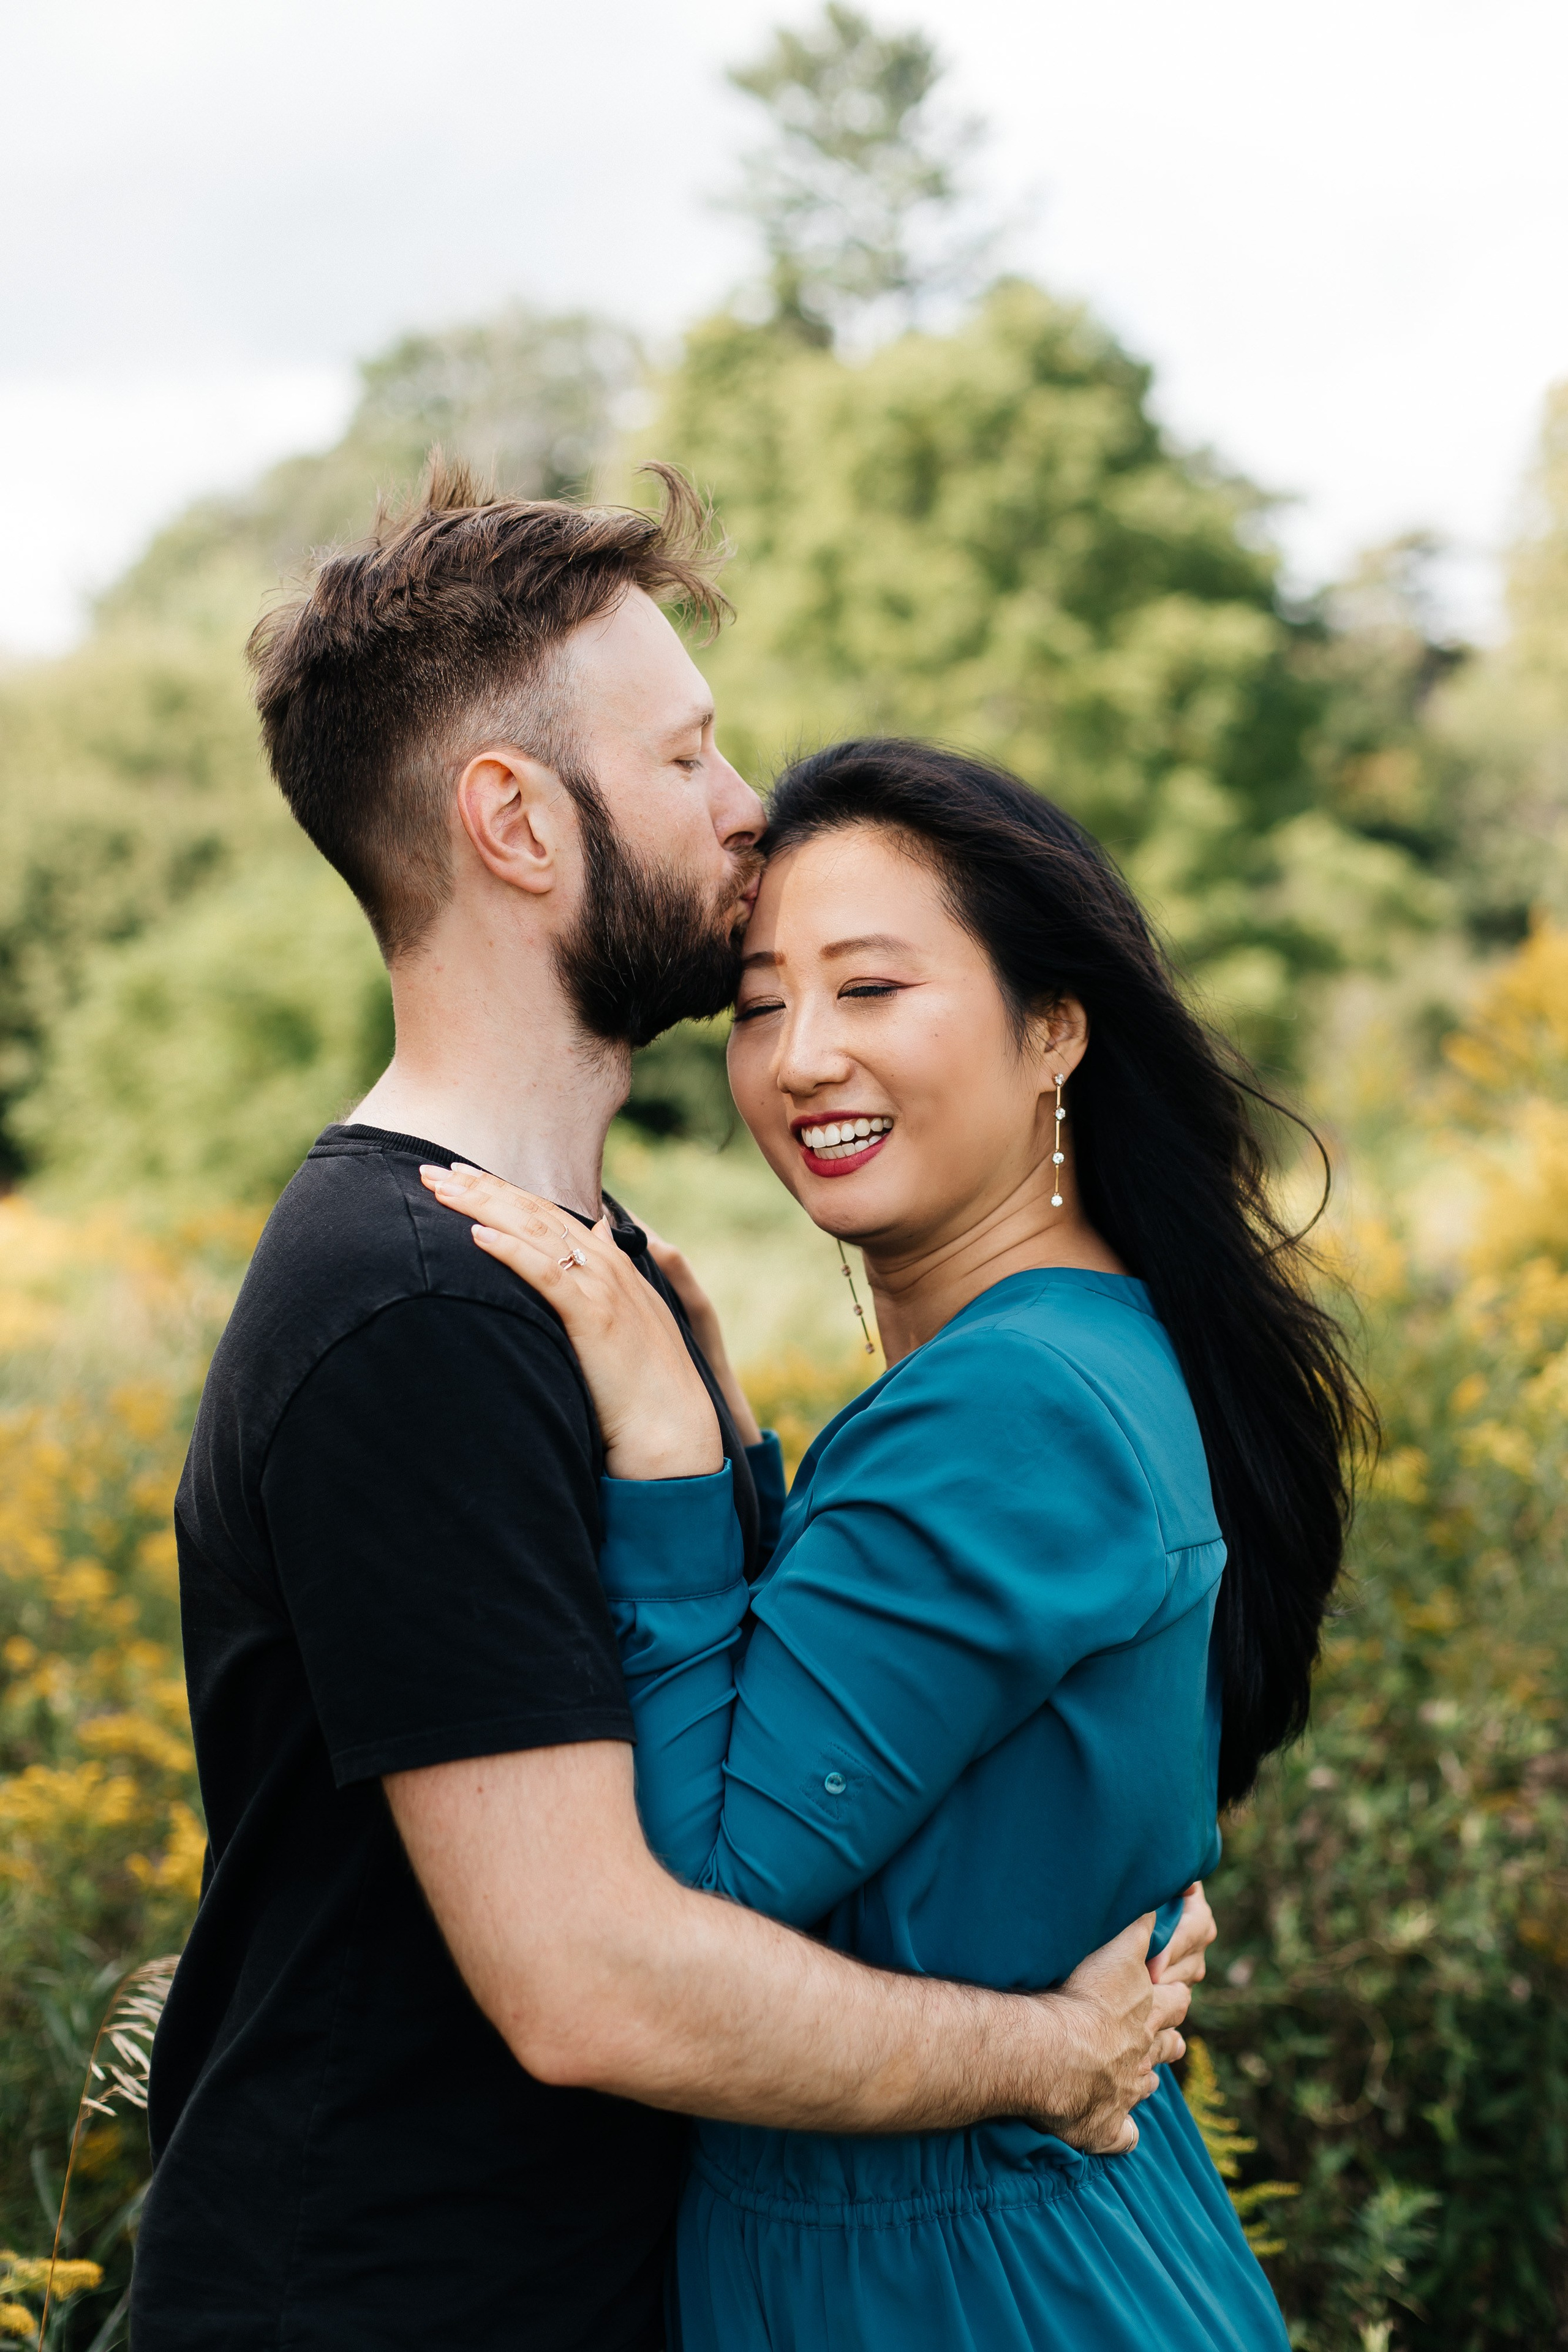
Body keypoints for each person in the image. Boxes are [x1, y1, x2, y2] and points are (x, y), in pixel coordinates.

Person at [134, 469, 1210, 2352]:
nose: (746, 808)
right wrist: (1047, 2054)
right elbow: (594, 1982)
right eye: (690, 755)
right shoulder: (414, 1303)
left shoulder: (578, 1262)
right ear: (515, 821)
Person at [422, 737, 1370, 2350]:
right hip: (982, 2238)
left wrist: (668, 1460)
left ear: (1054, 1027)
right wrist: (735, 1449)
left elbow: (703, 1894)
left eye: (871, 988)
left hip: (960, 2282)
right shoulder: (1075, 1349)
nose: (802, 1059)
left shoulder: (1015, 1402)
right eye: (761, 1006)